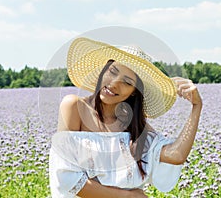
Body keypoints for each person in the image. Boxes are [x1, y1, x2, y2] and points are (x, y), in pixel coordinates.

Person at [49, 37, 202, 198]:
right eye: (112, 71)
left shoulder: (131, 124)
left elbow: (175, 155)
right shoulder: (74, 106)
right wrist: (130, 196)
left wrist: (196, 107)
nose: (114, 84)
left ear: (134, 91)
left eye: (127, 82)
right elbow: (67, 179)